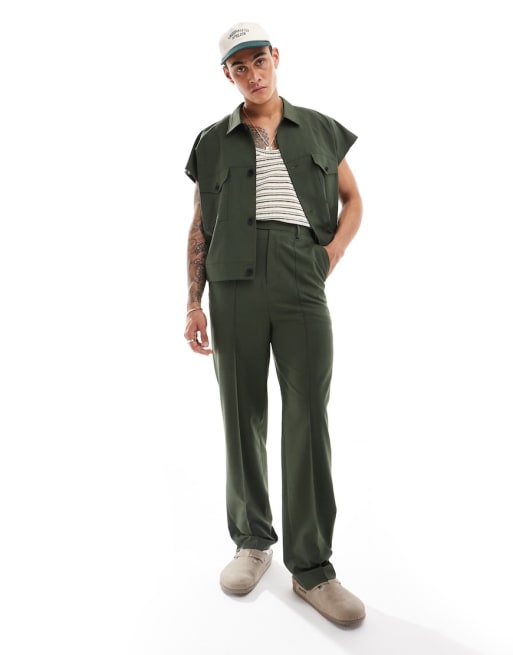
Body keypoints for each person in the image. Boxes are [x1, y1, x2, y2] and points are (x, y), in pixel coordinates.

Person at [184, 21, 365, 626]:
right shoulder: (212, 142)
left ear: (275, 58)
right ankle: (252, 542)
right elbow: (200, 225)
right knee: (241, 413)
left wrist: (330, 254)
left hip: (300, 276)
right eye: (239, 67)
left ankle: (312, 568)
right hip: (231, 282)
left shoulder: (319, 129)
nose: (252, 74)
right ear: (228, 75)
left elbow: (353, 199)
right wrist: (193, 302)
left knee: (309, 415)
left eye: (259, 60)